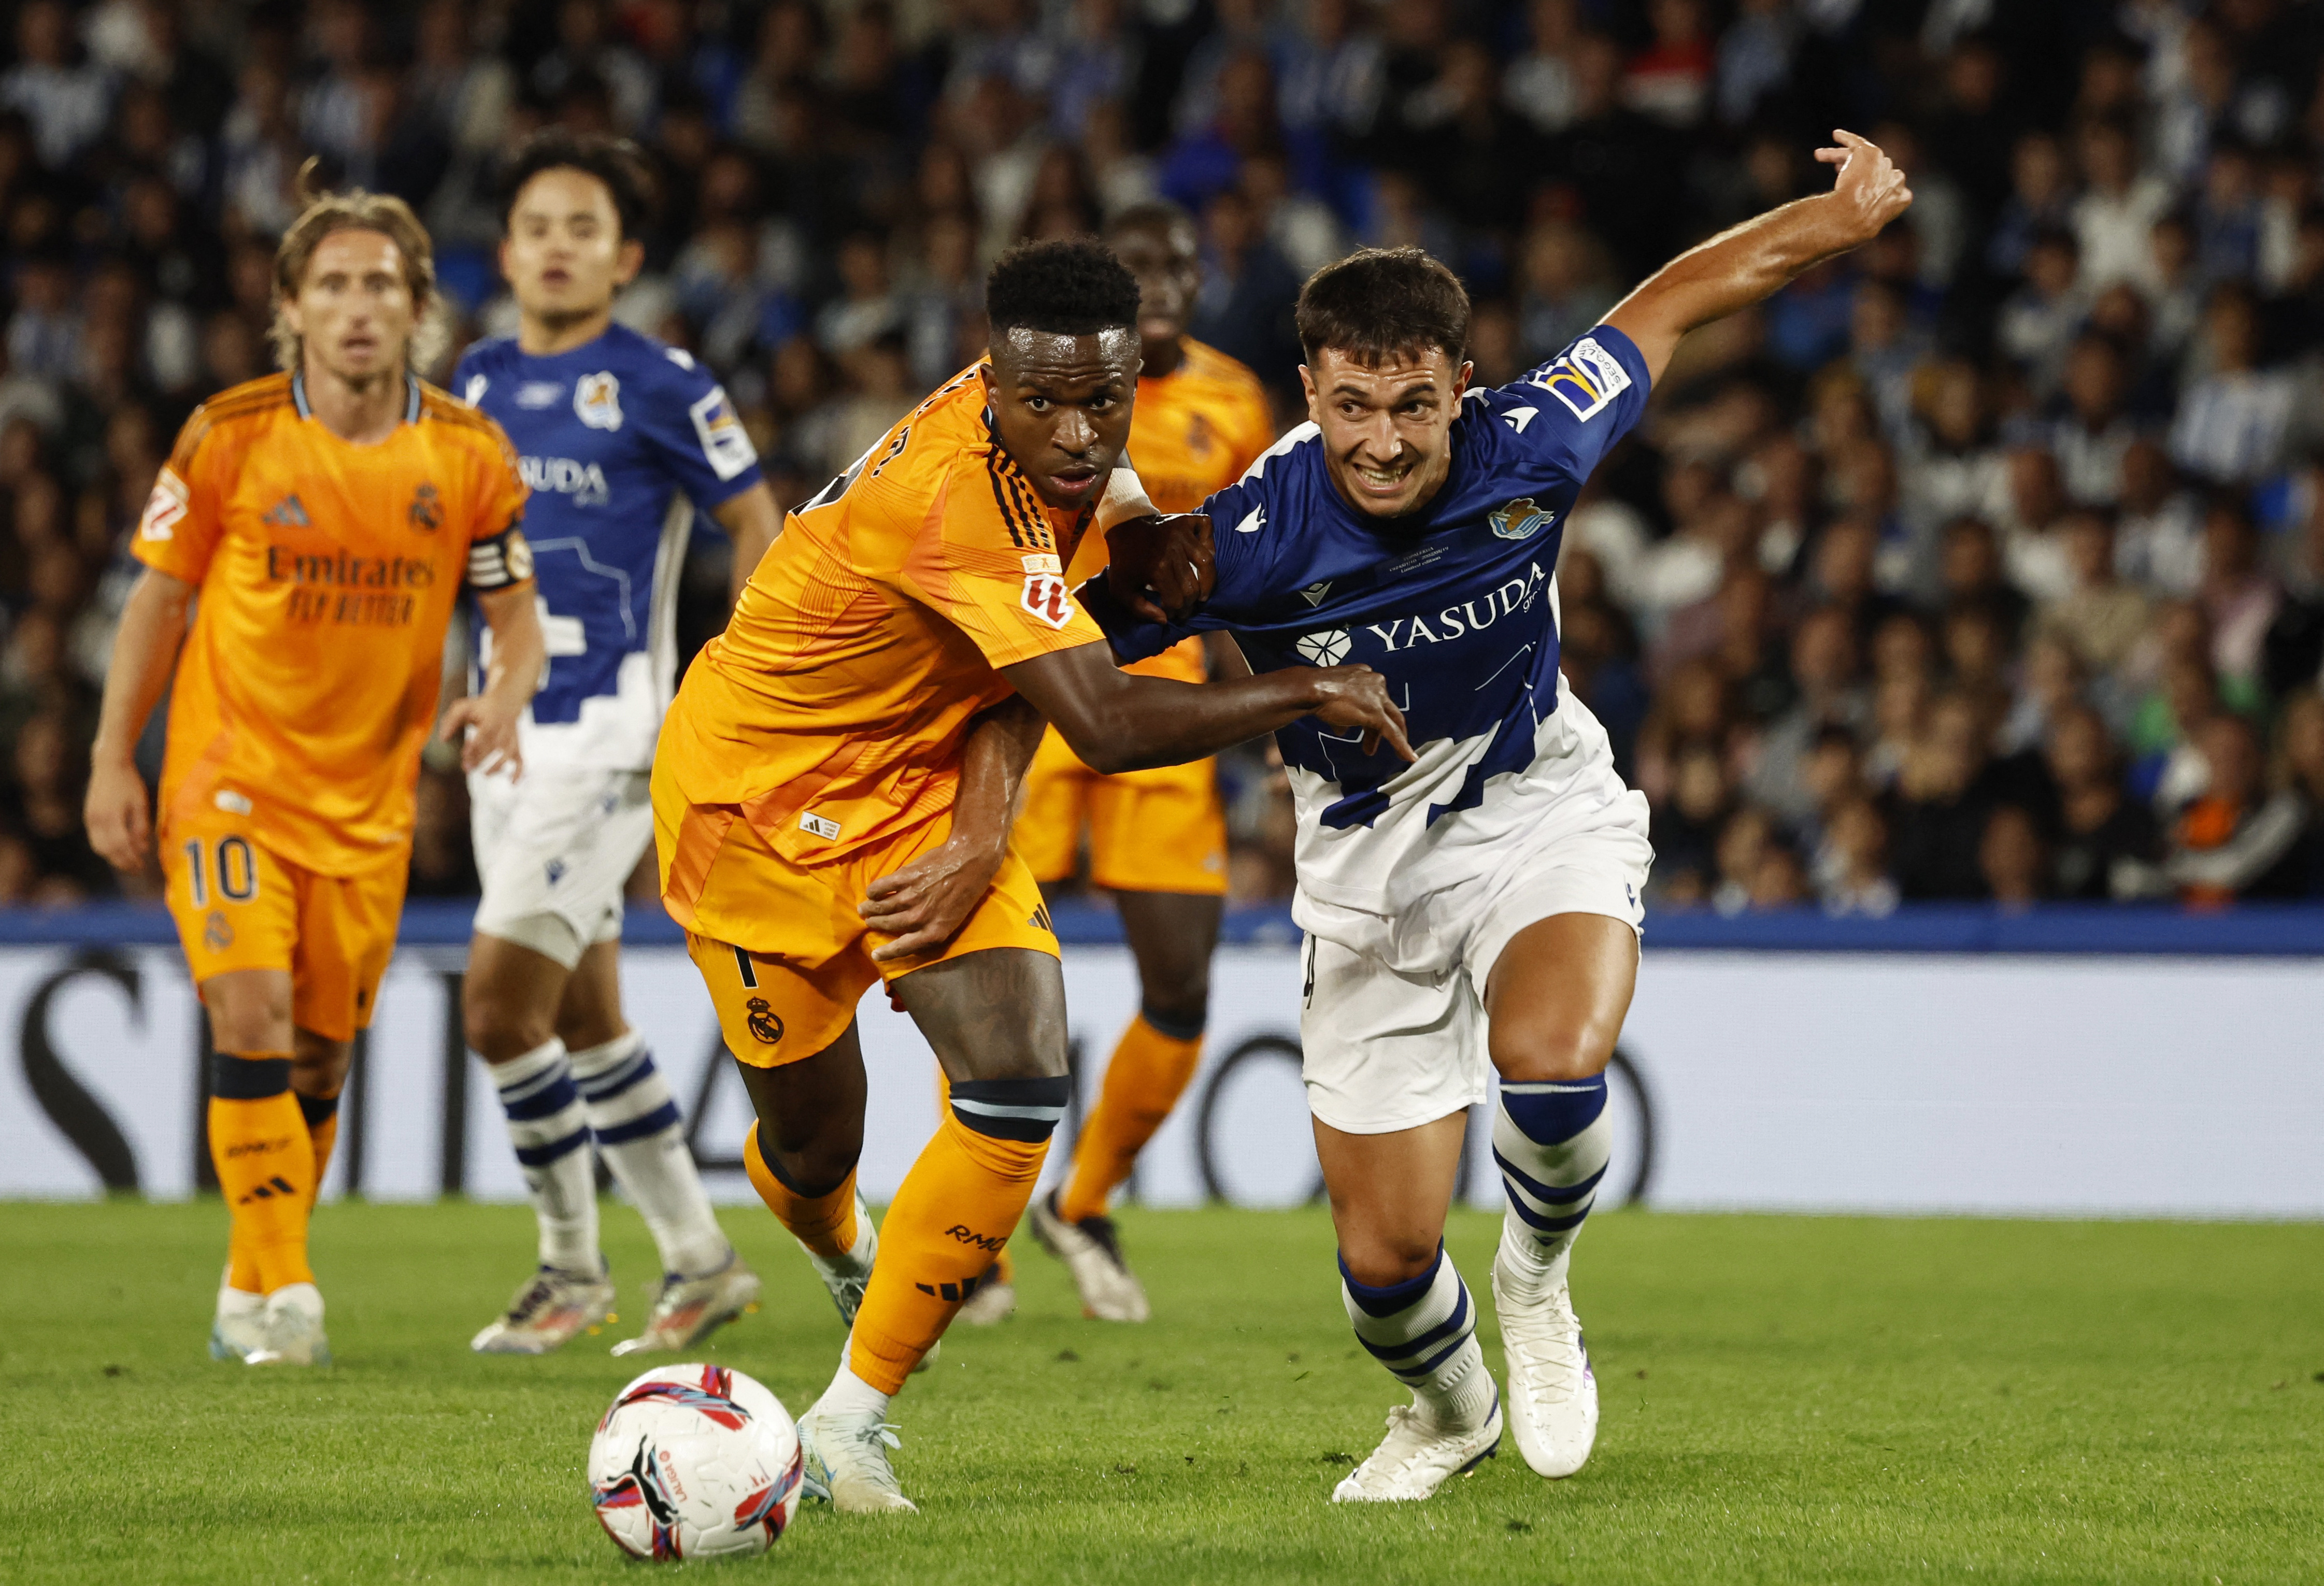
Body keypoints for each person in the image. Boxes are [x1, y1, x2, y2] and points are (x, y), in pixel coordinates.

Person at [1082, 132, 1911, 1501]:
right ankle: (1448, 1406)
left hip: (1537, 803)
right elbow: (1071, 662)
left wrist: (1835, 219)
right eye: (1351, 405)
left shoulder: (1532, 437)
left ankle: (1534, 1281)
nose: (1383, 439)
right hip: (1363, 868)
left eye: (1412, 403)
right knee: (1384, 1270)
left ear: (1459, 386)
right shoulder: (1243, 537)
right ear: (1311, 389)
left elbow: (1677, 294)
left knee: (1551, 1055)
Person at [649, 237, 1409, 1512]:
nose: (1075, 430)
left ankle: (847, 1419)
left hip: (913, 787)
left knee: (1015, 1071)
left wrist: (978, 826)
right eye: (1043, 402)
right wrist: (1305, 688)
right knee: (809, 1141)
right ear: (987, 372)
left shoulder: (1048, 439)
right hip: (752, 805)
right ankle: (843, 1246)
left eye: (1101, 402)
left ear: (1129, 377)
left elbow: (1039, 643)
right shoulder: (958, 500)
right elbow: (1102, 722)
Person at [82, 173, 547, 1368]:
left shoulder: (469, 454)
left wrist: (500, 694)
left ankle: (250, 1285)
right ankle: (287, 1286)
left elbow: (516, 623)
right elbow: (157, 601)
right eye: (332, 285)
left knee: (319, 1054)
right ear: (290, 306)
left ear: (416, 308)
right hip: (226, 777)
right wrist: (110, 760)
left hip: (369, 804)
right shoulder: (229, 432)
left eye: (379, 286)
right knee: (251, 1008)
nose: (356, 307)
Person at [453, 132, 781, 1358]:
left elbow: (757, 520)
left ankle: (569, 1267)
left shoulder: (663, 382)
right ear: (506, 250)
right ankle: (699, 1260)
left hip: (608, 734)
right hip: (504, 735)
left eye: (583, 228)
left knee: (496, 1006)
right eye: (537, 225)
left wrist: (732, 679)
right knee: (584, 1015)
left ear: (626, 256)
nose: (556, 246)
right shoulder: (475, 381)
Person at [1012, 201, 1278, 1326]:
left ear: (1201, 271)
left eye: (1179, 259)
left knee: (1180, 981)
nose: (1163, 279)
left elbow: (1259, 563)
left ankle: (1083, 1201)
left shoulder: (1236, 400)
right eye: (1141, 265)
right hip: (1029, 695)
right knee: (985, 960)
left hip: (1159, 702)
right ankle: (976, 1231)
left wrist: (1270, 716)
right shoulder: (1039, 383)